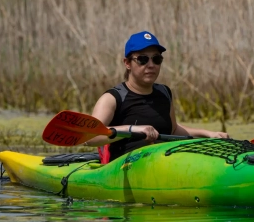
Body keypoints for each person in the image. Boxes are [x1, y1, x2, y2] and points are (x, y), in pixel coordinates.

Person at [85, 31, 229, 161]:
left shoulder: (165, 93)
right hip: (126, 165)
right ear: (127, 63)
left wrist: (209, 134)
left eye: (156, 59)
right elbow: (90, 138)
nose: (151, 65)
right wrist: (132, 129)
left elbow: (173, 130)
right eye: (142, 59)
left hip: (164, 159)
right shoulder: (111, 99)